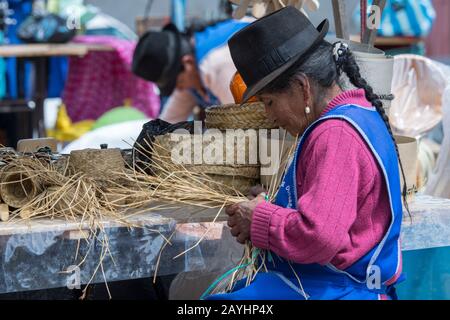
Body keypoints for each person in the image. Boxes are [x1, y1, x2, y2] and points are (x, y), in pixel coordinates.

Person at [205, 7, 409, 300]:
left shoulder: (334, 134)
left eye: (269, 102)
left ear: (302, 88)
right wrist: (272, 204)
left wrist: (260, 218)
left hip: (335, 290)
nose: (269, 116)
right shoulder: (360, 114)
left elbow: (320, 237)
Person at [132, 15, 252, 123]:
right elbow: (168, 121)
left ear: (187, 62)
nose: (179, 88)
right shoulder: (191, 73)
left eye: (179, 82)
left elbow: (242, 123)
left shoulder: (215, 66)